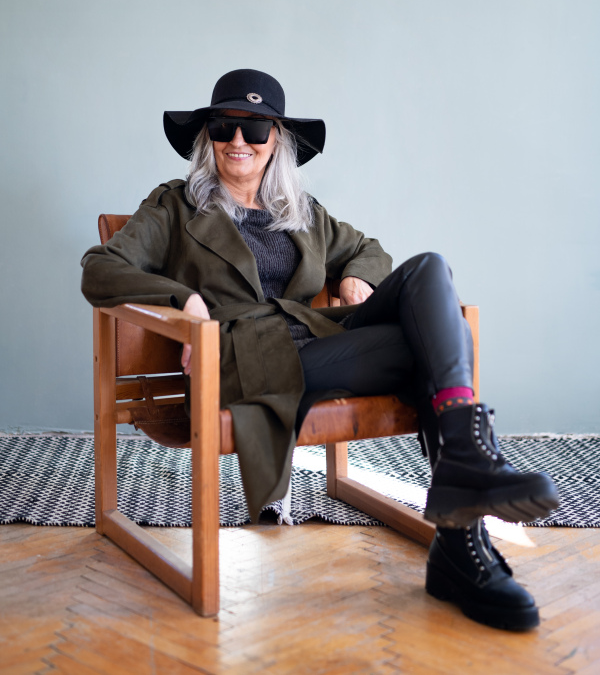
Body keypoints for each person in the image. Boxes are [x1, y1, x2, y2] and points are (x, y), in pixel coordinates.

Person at [81, 68, 558, 631]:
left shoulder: (300, 212)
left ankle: (463, 487)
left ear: (276, 140)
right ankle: (464, 534)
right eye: (226, 127)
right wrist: (183, 299)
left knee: (429, 268)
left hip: (320, 342)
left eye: (256, 129)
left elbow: (371, 250)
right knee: (431, 347)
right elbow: (100, 267)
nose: (239, 141)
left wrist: (358, 274)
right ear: (207, 137)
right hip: (250, 361)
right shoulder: (175, 208)